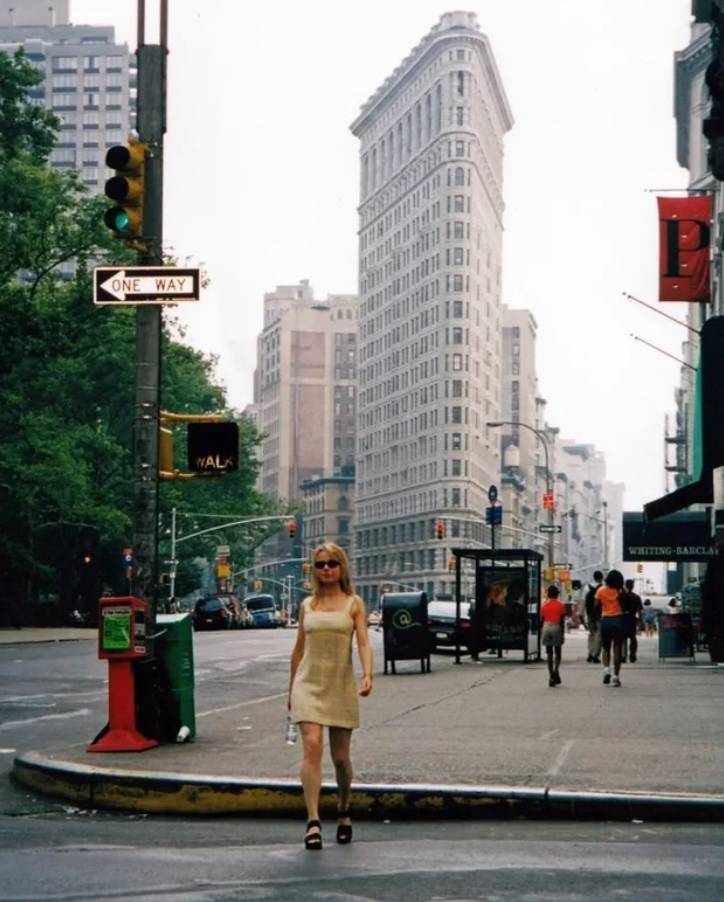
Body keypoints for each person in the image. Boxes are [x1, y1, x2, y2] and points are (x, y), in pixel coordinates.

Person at [288, 542, 373, 850]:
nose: (326, 569)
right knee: (311, 746)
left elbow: (363, 641)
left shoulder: (354, 604)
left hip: (340, 683)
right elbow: (298, 650)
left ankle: (344, 808)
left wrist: (367, 673)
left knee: (340, 758)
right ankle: (312, 821)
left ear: (341, 568)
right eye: (320, 564)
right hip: (307, 683)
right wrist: (290, 691)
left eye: (332, 564)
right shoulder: (307, 606)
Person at [595, 569, 626, 687]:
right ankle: (616, 676)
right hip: (618, 620)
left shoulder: (601, 591)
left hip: (605, 620)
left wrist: (598, 618)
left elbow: (596, 606)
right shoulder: (621, 591)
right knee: (617, 648)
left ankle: (606, 669)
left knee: (606, 647)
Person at [540, 584, 566, 687]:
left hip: (546, 626)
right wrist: (562, 634)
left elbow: (541, 620)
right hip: (556, 626)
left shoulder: (544, 605)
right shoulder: (561, 605)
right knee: (558, 652)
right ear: (557, 594)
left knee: (549, 652)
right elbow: (562, 622)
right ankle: (556, 670)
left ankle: (551, 675)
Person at [621, 579, 644, 662]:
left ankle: (623, 655)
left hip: (623, 618)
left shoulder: (622, 596)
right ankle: (632, 654)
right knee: (633, 638)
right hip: (632, 619)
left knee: (623, 638)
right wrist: (641, 621)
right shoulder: (636, 597)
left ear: (625, 585)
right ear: (633, 586)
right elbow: (640, 611)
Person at [584, 570, 603, 663]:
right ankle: (596, 655)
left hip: (589, 613)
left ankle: (590, 653)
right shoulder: (603, 588)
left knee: (591, 633)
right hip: (600, 614)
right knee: (599, 634)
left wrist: (581, 615)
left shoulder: (587, 587)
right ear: (601, 578)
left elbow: (583, 602)